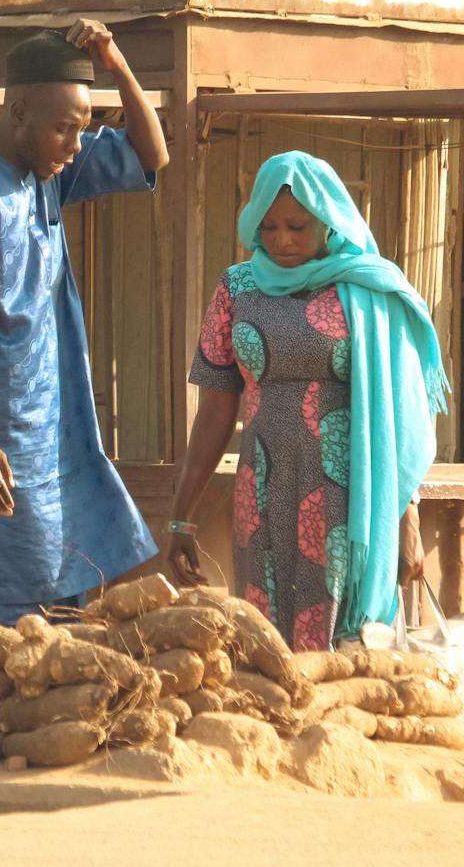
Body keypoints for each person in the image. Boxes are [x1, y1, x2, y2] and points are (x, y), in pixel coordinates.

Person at [0, 20, 170, 626]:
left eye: (83, 130)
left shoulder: (49, 169)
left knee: (65, 603)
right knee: (18, 617)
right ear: (19, 111)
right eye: (65, 129)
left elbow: (151, 154)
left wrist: (115, 62)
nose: (76, 146)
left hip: (57, 432)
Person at [165, 151, 448, 652]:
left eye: (297, 225)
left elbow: (399, 419)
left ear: (329, 221)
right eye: (268, 227)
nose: (282, 240)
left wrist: (407, 520)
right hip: (263, 491)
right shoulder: (237, 289)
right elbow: (214, 409)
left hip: (349, 498)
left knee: (346, 646)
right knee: (264, 644)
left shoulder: (368, 288)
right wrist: (182, 515)